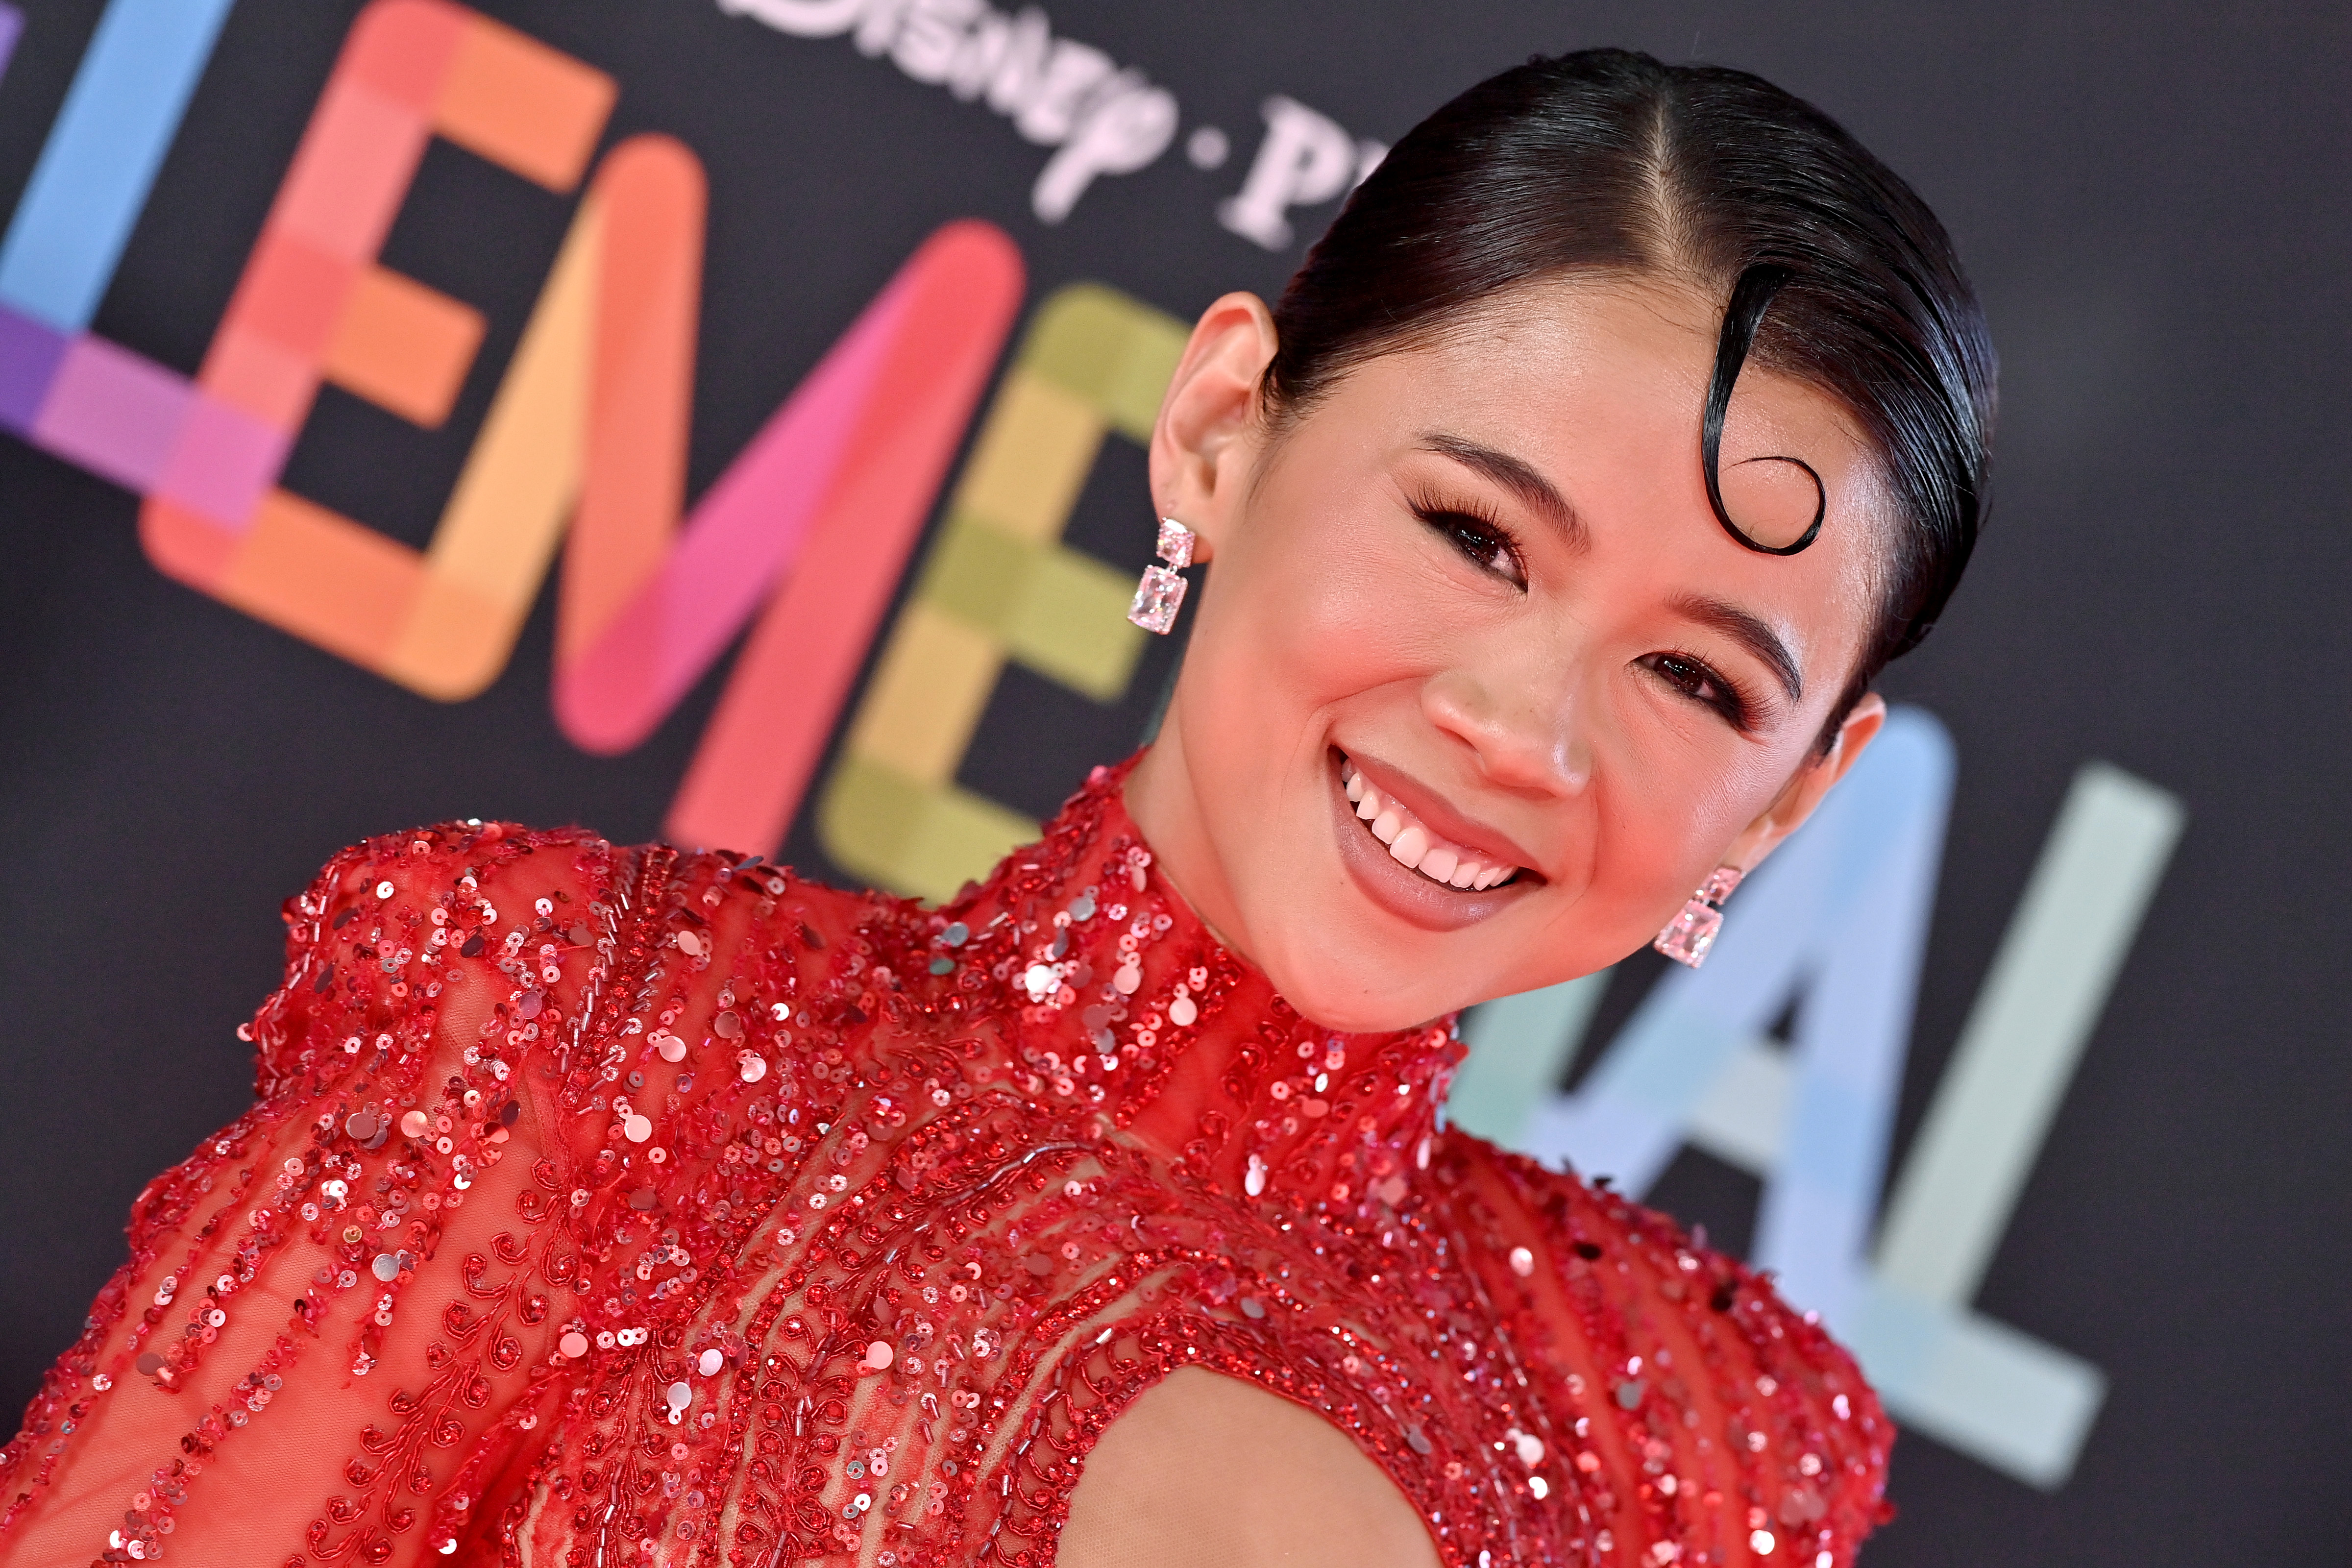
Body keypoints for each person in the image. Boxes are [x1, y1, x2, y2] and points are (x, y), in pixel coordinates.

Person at [0, 46, 1991, 1568]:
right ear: (1221, 433)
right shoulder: (574, 1032)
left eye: (1696, 675)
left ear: (1795, 798)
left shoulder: (1706, 1445)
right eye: (1476, 532)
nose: (1524, 726)